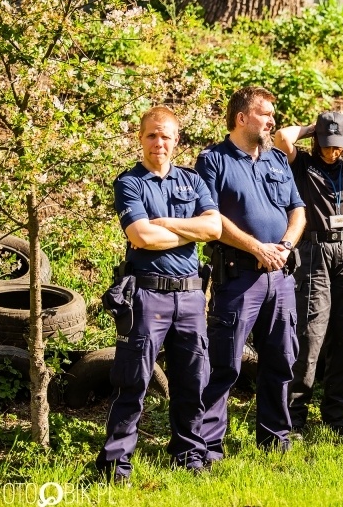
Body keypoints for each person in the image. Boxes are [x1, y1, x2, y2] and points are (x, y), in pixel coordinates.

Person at [96, 106, 222, 482]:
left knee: (192, 380)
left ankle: (189, 454)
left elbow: (214, 227)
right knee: (133, 380)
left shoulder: (193, 181)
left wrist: (167, 224)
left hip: (191, 298)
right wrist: (189, 231)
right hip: (147, 297)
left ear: (176, 140)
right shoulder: (130, 183)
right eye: (151, 135)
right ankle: (116, 464)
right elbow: (141, 236)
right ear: (140, 138)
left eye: (166, 135)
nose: (159, 142)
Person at [195, 86, 306, 458]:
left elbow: (297, 211)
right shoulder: (213, 160)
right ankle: (208, 446)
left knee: (282, 359)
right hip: (239, 275)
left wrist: (285, 247)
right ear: (242, 118)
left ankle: (275, 439)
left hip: (281, 276)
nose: (272, 120)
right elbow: (210, 218)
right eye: (266, 114)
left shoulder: (276, 159)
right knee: (223, 363)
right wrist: (256, 247)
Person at [273, 113, 343, 435]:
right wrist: (316, 128)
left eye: (338, 146)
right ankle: (294, 417)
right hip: (314, 252)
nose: (332, 152)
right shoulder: (303, 164)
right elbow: (282, 137)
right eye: (326, 145)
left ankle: (334, 414)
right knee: (310, 336)